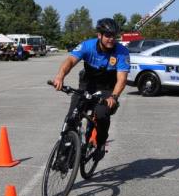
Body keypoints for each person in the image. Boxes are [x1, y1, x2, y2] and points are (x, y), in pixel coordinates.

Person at [52, 18, 130, 158]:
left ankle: (100, 144)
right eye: (107, 35)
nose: (111, 39)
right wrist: (60, 76)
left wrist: (114, 96)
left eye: (114, 36)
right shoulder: (87, 46)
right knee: (72, 116)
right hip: (87, 85)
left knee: (101, 114)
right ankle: (63, 153)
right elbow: (70, 61)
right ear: (99, 35)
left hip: (107, 88)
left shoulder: (122, 52)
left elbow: (122, 79)